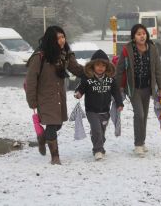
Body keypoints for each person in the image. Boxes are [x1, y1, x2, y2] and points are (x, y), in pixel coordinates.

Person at [25, 26, 84, 165]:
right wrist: (32, 100)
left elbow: (75, 68)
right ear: (51, 40)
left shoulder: (66, 54)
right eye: (58, 38)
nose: (62, 40)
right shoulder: (40, 56)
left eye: (63, 37)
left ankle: (42, 138)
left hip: (59, 95)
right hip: (44, 97)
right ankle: (55, 157)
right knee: (52, 125)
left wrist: (92, 71)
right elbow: (31, 80)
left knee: (57, 125)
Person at [116, 24, 161, 157]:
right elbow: (119, 70)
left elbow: (158, 70)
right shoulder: (127, 49)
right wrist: (118, 88)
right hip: (133, 88)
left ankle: (142, 142)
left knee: (144, 116)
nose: (142, 36)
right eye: (138, 34)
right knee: (139, 114)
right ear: (133, 37)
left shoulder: (152, 49)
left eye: (143, 33)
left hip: (148, 88)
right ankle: (138, 144)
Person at [74, 49, 124, 161]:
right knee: (97, 130)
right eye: (97, 65)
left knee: (101, 132)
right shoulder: (87, 78)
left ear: (107, 67)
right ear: (92, 66)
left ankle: (98, 142)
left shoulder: (110, 79)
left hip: (105, 111)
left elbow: (116, 92)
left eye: (103, 65)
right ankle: (98, 150)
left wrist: (120, 103)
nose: (100, 68)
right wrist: (78, 93)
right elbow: (81, 88)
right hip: (91, 110)